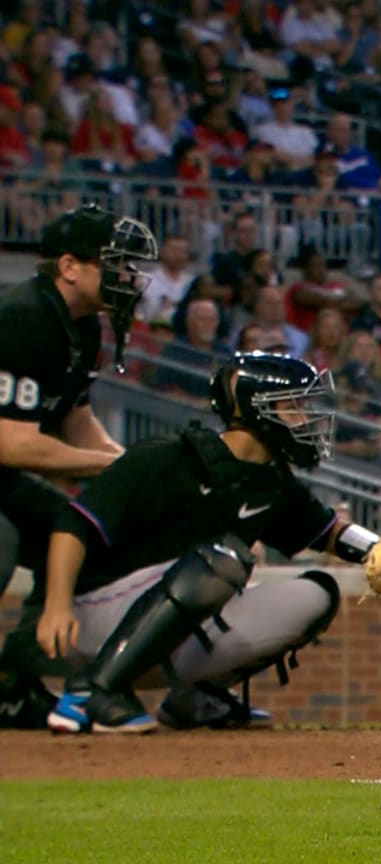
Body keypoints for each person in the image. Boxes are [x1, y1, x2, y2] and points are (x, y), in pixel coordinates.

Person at [33, 353, 381, 733]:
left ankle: (193, 698)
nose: (305, 418)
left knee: (317, 594)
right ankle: (92, 694)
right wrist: (56, 604)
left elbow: (328, 530)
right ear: (256, 409)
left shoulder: (272, 481)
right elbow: (75, 521)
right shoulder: (170, 457)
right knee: (221, 560)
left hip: (170, 626)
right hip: (90, 618)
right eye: (292, 406)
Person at [0, 205, 159, 730]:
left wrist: (132, 470)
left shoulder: (81, 326)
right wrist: (112, 466)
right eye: (114, 264)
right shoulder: (23, 315)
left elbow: (75, 422)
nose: (127, 277)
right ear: (70, 266)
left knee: (75, 535)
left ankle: (11, 685)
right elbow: (13, 444)